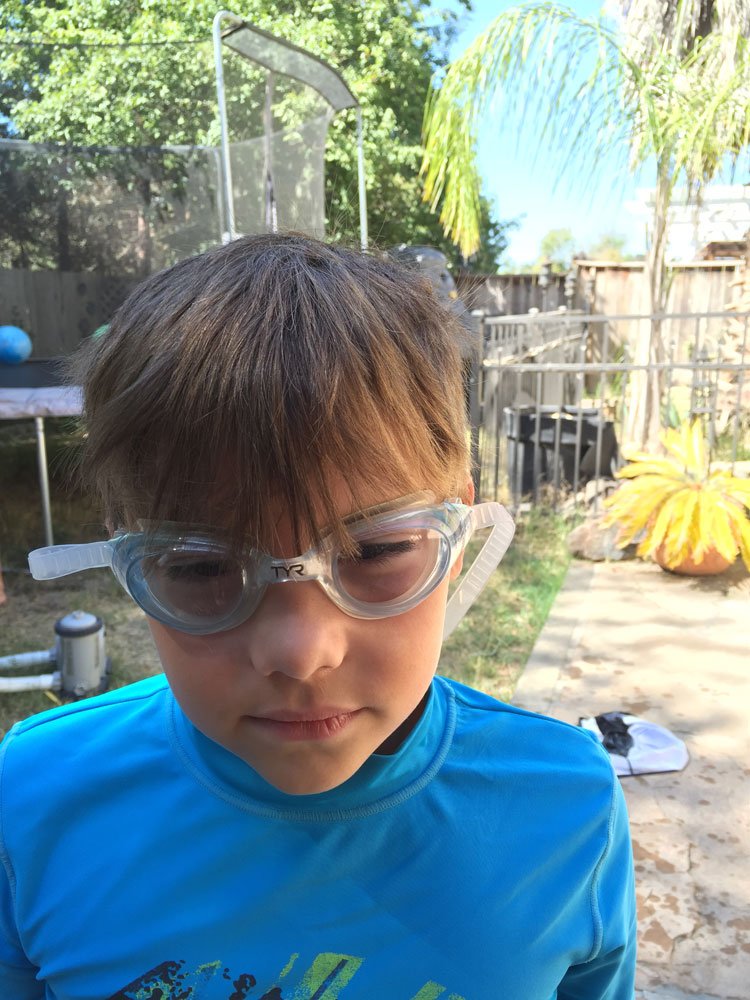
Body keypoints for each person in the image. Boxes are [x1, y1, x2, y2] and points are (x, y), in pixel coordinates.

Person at [0, 234, 636, 999]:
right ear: (123, 558)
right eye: (201, 567)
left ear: (459, 535)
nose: (301, 652)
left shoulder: (566, 811)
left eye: (375, 551)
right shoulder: (34, 801)